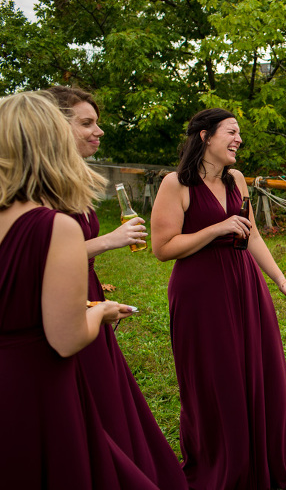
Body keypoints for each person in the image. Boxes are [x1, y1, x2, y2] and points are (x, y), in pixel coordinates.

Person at [151, 108, 286, 489]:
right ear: (205, 136)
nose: (239, 140)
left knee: (258, 370)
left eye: (239, 134)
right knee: (215, 378)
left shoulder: (236, 179)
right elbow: (163, 248)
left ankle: (258, 460)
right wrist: (216, 228)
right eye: (231, 132)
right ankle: (221, 463)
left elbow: (251, 235)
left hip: (243, 284)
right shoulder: (176, 184)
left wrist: (281, 280)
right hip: (200, 293)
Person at [46, 85, 188, 489]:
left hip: (87, 290)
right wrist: (109, 240)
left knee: (105, 395)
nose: (99, 131)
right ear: (55, 125)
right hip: (62, 301)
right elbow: (37, 254)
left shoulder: (70, 179)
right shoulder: (40, 185)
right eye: (87, 123)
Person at [0, 91, 142, 487]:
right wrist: (101, 311)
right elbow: (66, 340)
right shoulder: (51, 225)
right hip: (34, 378)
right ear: (53, 141)